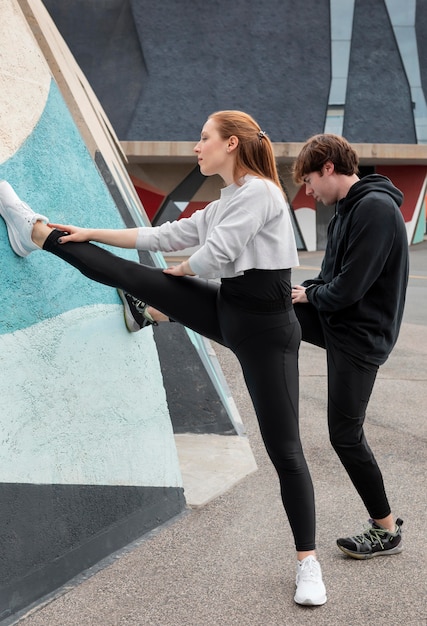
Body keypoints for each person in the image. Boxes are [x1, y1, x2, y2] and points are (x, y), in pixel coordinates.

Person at [0, 111, 327, 606]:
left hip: (267, 334)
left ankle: (308, 564)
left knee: (285, 451)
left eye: (204, 139)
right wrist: (94, 232)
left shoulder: (261, 192)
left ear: (232, 144)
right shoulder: (228, 199)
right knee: (131, 275)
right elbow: (165, 236)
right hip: (226, 311)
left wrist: (182, 274)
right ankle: (37, 230)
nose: (197, 148)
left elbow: (216, 255)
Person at [291, 133, 408, 559]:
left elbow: (349, 289)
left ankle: (386, 529)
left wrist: (311, 295)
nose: (307, 191)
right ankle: (168, 309)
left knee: (345, 435)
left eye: (308, 180)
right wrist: (304, 291)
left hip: (360, 337)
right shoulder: (346, 211)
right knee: (270, 308)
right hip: (339, 320)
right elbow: (327, 280)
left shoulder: (375, 210)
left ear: (327, 168)